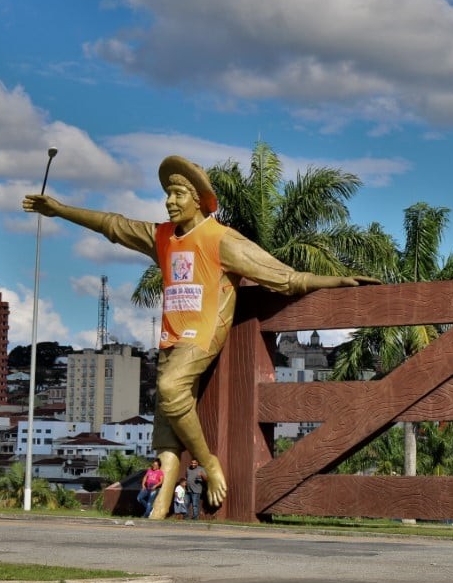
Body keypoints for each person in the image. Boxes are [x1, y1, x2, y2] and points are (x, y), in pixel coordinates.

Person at [23, 155, 378, 519]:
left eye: (177, 194)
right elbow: (114, 225)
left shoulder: (221, 239)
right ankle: (159, 508)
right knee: (164, 433)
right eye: (167, 194)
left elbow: (284, 277)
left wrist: (337, 280)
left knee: (172, 389)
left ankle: (210, 463)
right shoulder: (162, 237)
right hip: (169, 339)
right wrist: (59, 210)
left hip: (203, 333)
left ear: (198, 200)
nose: (169, 201)